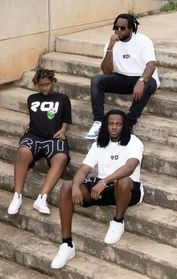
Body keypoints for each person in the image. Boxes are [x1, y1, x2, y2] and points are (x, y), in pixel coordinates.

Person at [51, 109, 144, 269]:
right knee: (66, 186)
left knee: (123, 181)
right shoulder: (98, 144)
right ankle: (67, 245)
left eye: (118, 124)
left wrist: (105, 181)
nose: (114, 127)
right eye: (111, 124)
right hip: (102, 188)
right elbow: (84, 170)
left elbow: (129, 168)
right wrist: (75, 186)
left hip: (128, 190)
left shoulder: (134, 142)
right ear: (106, 126)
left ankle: (118, 221)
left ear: (124, 126)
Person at [85, 13, 160, 140]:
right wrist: (110, 48)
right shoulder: (111, 43)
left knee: (146, 85)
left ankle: (129, 124)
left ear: (131, 28)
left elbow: (151, 65)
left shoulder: (143, 41)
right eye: (116, 27)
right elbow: (107, 72)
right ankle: (98, 122)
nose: (119, 30)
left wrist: (141, 80)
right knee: (97, 80)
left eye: (123, 28)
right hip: (122, 78)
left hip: (144, 78)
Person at [7, 68, 72, 215]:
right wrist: (29, 125)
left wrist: (63, 129)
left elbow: (66, 119)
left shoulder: (63, 98)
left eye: (47, 84)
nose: (44, 87)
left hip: (54, 137)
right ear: (36, 84)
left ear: (53, 82)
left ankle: (41, 198)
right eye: (41, 85)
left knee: (61, 157)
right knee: (22, 152)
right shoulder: (32, 99)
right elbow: (35, 118)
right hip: (34, 136)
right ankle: (17, 196)